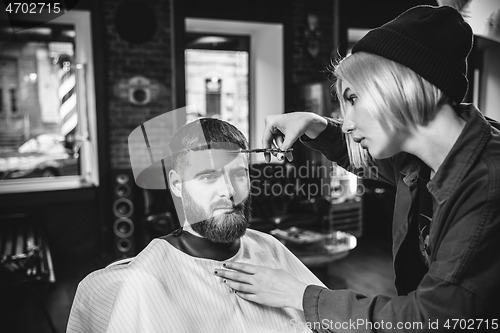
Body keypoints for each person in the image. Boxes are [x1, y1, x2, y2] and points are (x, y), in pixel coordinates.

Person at [215, 5, 500, 332]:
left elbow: (433, 319)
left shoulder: (488, 184)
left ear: (404, 88)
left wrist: (301, 295)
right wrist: (316, 124)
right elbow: (363, 158)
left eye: (353, 99)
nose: (347, 124)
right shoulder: (423, 156)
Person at [67, 118, 324, 333]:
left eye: (238, 174)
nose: (229, 190)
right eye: (209, 176)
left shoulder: (269, 247)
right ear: (177, 184)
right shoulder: (146, 281)